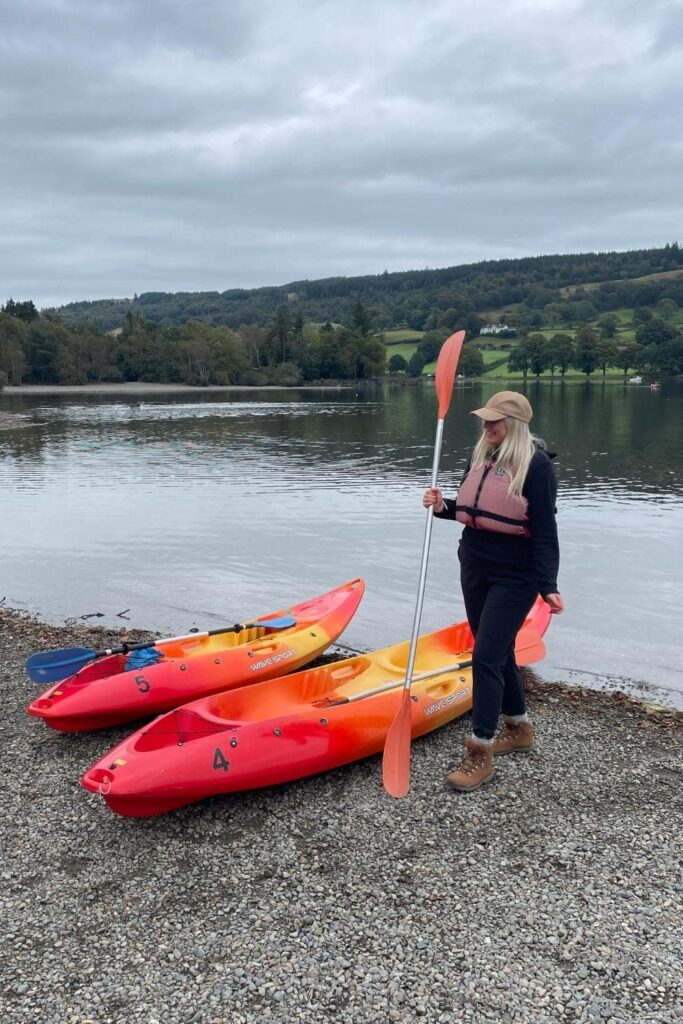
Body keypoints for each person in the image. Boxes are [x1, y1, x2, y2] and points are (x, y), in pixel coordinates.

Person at [423, 390, 563, 792]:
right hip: (475, 564)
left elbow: (545, 533)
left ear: (514, 424)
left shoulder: (536, 468)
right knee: (497, 651)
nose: (487, 427)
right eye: (485, 420)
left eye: (495, 421)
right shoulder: (481, 456)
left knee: (484, 656)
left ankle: (479, 751)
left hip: (515, 576)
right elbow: (472, 510)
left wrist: (548, 584)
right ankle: (519, 728)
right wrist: (441, 505)